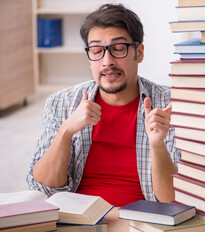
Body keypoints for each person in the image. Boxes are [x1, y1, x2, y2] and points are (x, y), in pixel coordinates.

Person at [26, 3, 180, 207]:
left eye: (118, 49)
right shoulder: (61, 103)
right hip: (76, 220)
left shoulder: (170, 105)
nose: (107, 61)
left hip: (141, 223)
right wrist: (65, 131)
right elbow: (43, 188)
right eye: (97, 50)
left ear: (139, 53)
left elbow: (172, 199)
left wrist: (157, 145)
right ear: (89, 58)